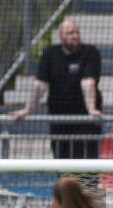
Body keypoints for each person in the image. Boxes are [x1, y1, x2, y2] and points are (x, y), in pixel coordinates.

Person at [10, 19, 104, 159]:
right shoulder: (50, 53)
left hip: (86, 121)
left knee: (87, 162)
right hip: (59, 119)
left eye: (76, 32)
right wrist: (27, 109)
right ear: (61, 36)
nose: (75, 36)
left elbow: (88, 83)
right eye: (70, 33)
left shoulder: (90, 52)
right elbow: (40, 85)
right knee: (62, 161)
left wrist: (91, 109)